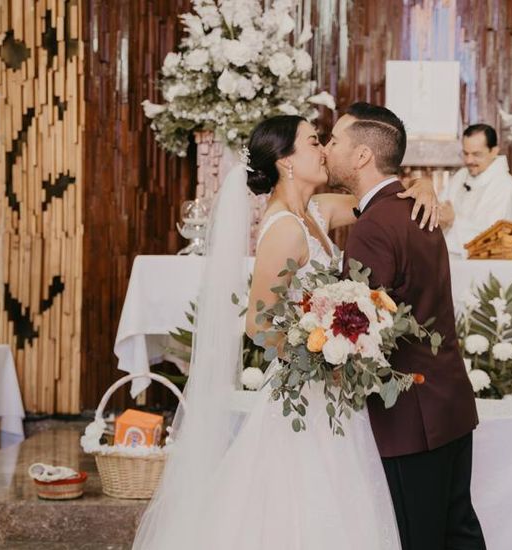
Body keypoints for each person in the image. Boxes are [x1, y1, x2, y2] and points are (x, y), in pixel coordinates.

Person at [131, 114, 441, 549]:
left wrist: (423, 186)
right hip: (306, 388)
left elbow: (380, 197)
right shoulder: (281, 229)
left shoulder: (318, 210)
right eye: (314, 141)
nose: (324, 150)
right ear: (286, 162)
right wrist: (319, 356)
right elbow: (259, 323)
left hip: (337, 391)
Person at [326, 102, 486, 550]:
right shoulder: (415, 208)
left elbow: (356, 328)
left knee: (420, 539)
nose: (327, 150)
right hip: (448, 400)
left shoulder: (374, 225)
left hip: (411, 415)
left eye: (335, 141)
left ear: (362, 156)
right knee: (458, 530)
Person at [439, 123, 512, 258]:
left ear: (494, 151)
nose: (469, 160)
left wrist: (453, 220)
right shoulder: (460, 176)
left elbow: (493, 237)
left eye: (476, 154)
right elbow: (441, 211)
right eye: (465, 153)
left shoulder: (505, 186)